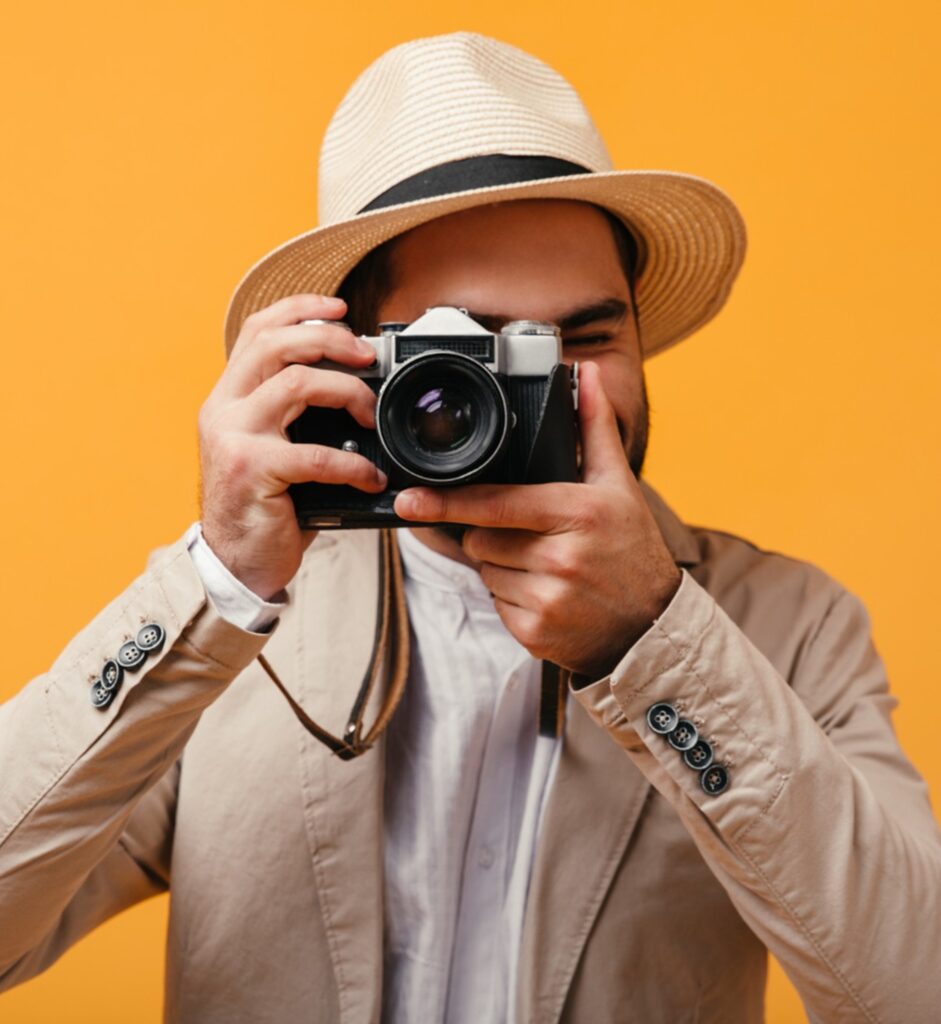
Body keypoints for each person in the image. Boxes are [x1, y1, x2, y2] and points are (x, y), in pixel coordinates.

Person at [1, 30, 939, 1024]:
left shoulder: (790, 626)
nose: (542, 389)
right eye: (470, 350)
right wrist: (219, 584)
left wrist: (655, 640)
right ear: (352, 358)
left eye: (584, 337)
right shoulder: (240, 635)